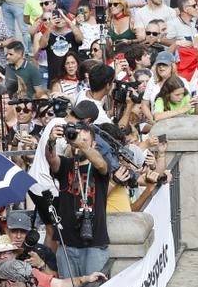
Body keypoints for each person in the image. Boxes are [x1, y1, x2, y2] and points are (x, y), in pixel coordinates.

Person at [45, 118, 133, 276]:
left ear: (93, 145)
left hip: (94, 245)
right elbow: (52, 159)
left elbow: (101, 165)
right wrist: (51, 140)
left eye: (85, 140)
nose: (79, 143)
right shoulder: (66, 164)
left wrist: (80, 143)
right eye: (76, 138)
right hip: (67, 245)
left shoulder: (101, 164)